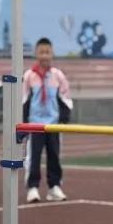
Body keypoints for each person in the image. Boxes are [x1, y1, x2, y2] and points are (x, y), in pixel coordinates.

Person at [23, 37, 73, 203]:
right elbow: (24, 99)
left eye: (47, 52)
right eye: (41, 52)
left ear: (52, 54)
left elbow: (65, 97)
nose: (44, 55)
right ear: (36, 54)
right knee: (33, 157)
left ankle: (54, 186)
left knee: (54, 156)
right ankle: (33, 187)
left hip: (53, 124)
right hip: (35, 124)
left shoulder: (58, 76)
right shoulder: (29, 76)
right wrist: (23, 121)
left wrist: (64, 119)